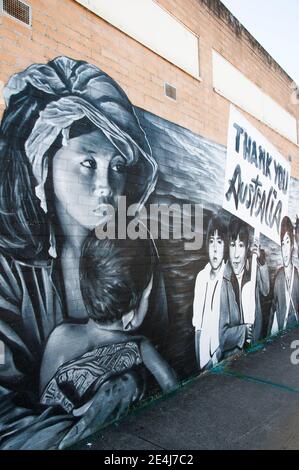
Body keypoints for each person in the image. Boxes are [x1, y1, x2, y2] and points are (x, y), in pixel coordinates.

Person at [0, 56, 168, 449]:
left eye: (117, 167)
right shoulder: (9, 270)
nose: (106, 186)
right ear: (44, 160)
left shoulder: (139, 255)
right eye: (88, 162)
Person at [40, 234, 178, 416]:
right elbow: (174, 391)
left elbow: (44, 405)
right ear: (131, 312)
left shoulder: (59, 336)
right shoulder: (139, 348)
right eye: (147, 295)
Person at [219, 217, 270, 358]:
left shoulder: (252, 272)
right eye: (232, 245)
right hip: (235, 358)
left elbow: (265, 290)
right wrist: (243, 332)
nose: (235, 254)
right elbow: (222, 338)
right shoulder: (224, 281)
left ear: (247, 247)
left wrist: (261, 262)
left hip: (256, 350)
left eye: (240, 246)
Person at [192, 213, 227, 370]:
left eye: (219, 242)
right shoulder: (201, 277)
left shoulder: (228, 278)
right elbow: (197, 327)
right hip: (204, 359)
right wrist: (201, 363)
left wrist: (216, 358)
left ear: (225, 246)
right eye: (211, 241)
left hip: (223, 355)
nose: (214, 248)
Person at [268, 216, 299, 335]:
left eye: (288, 242)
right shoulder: (278, 277)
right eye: (282, 244)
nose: (285, 249)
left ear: (292, 246)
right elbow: (273, 310)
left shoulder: (297, 275)